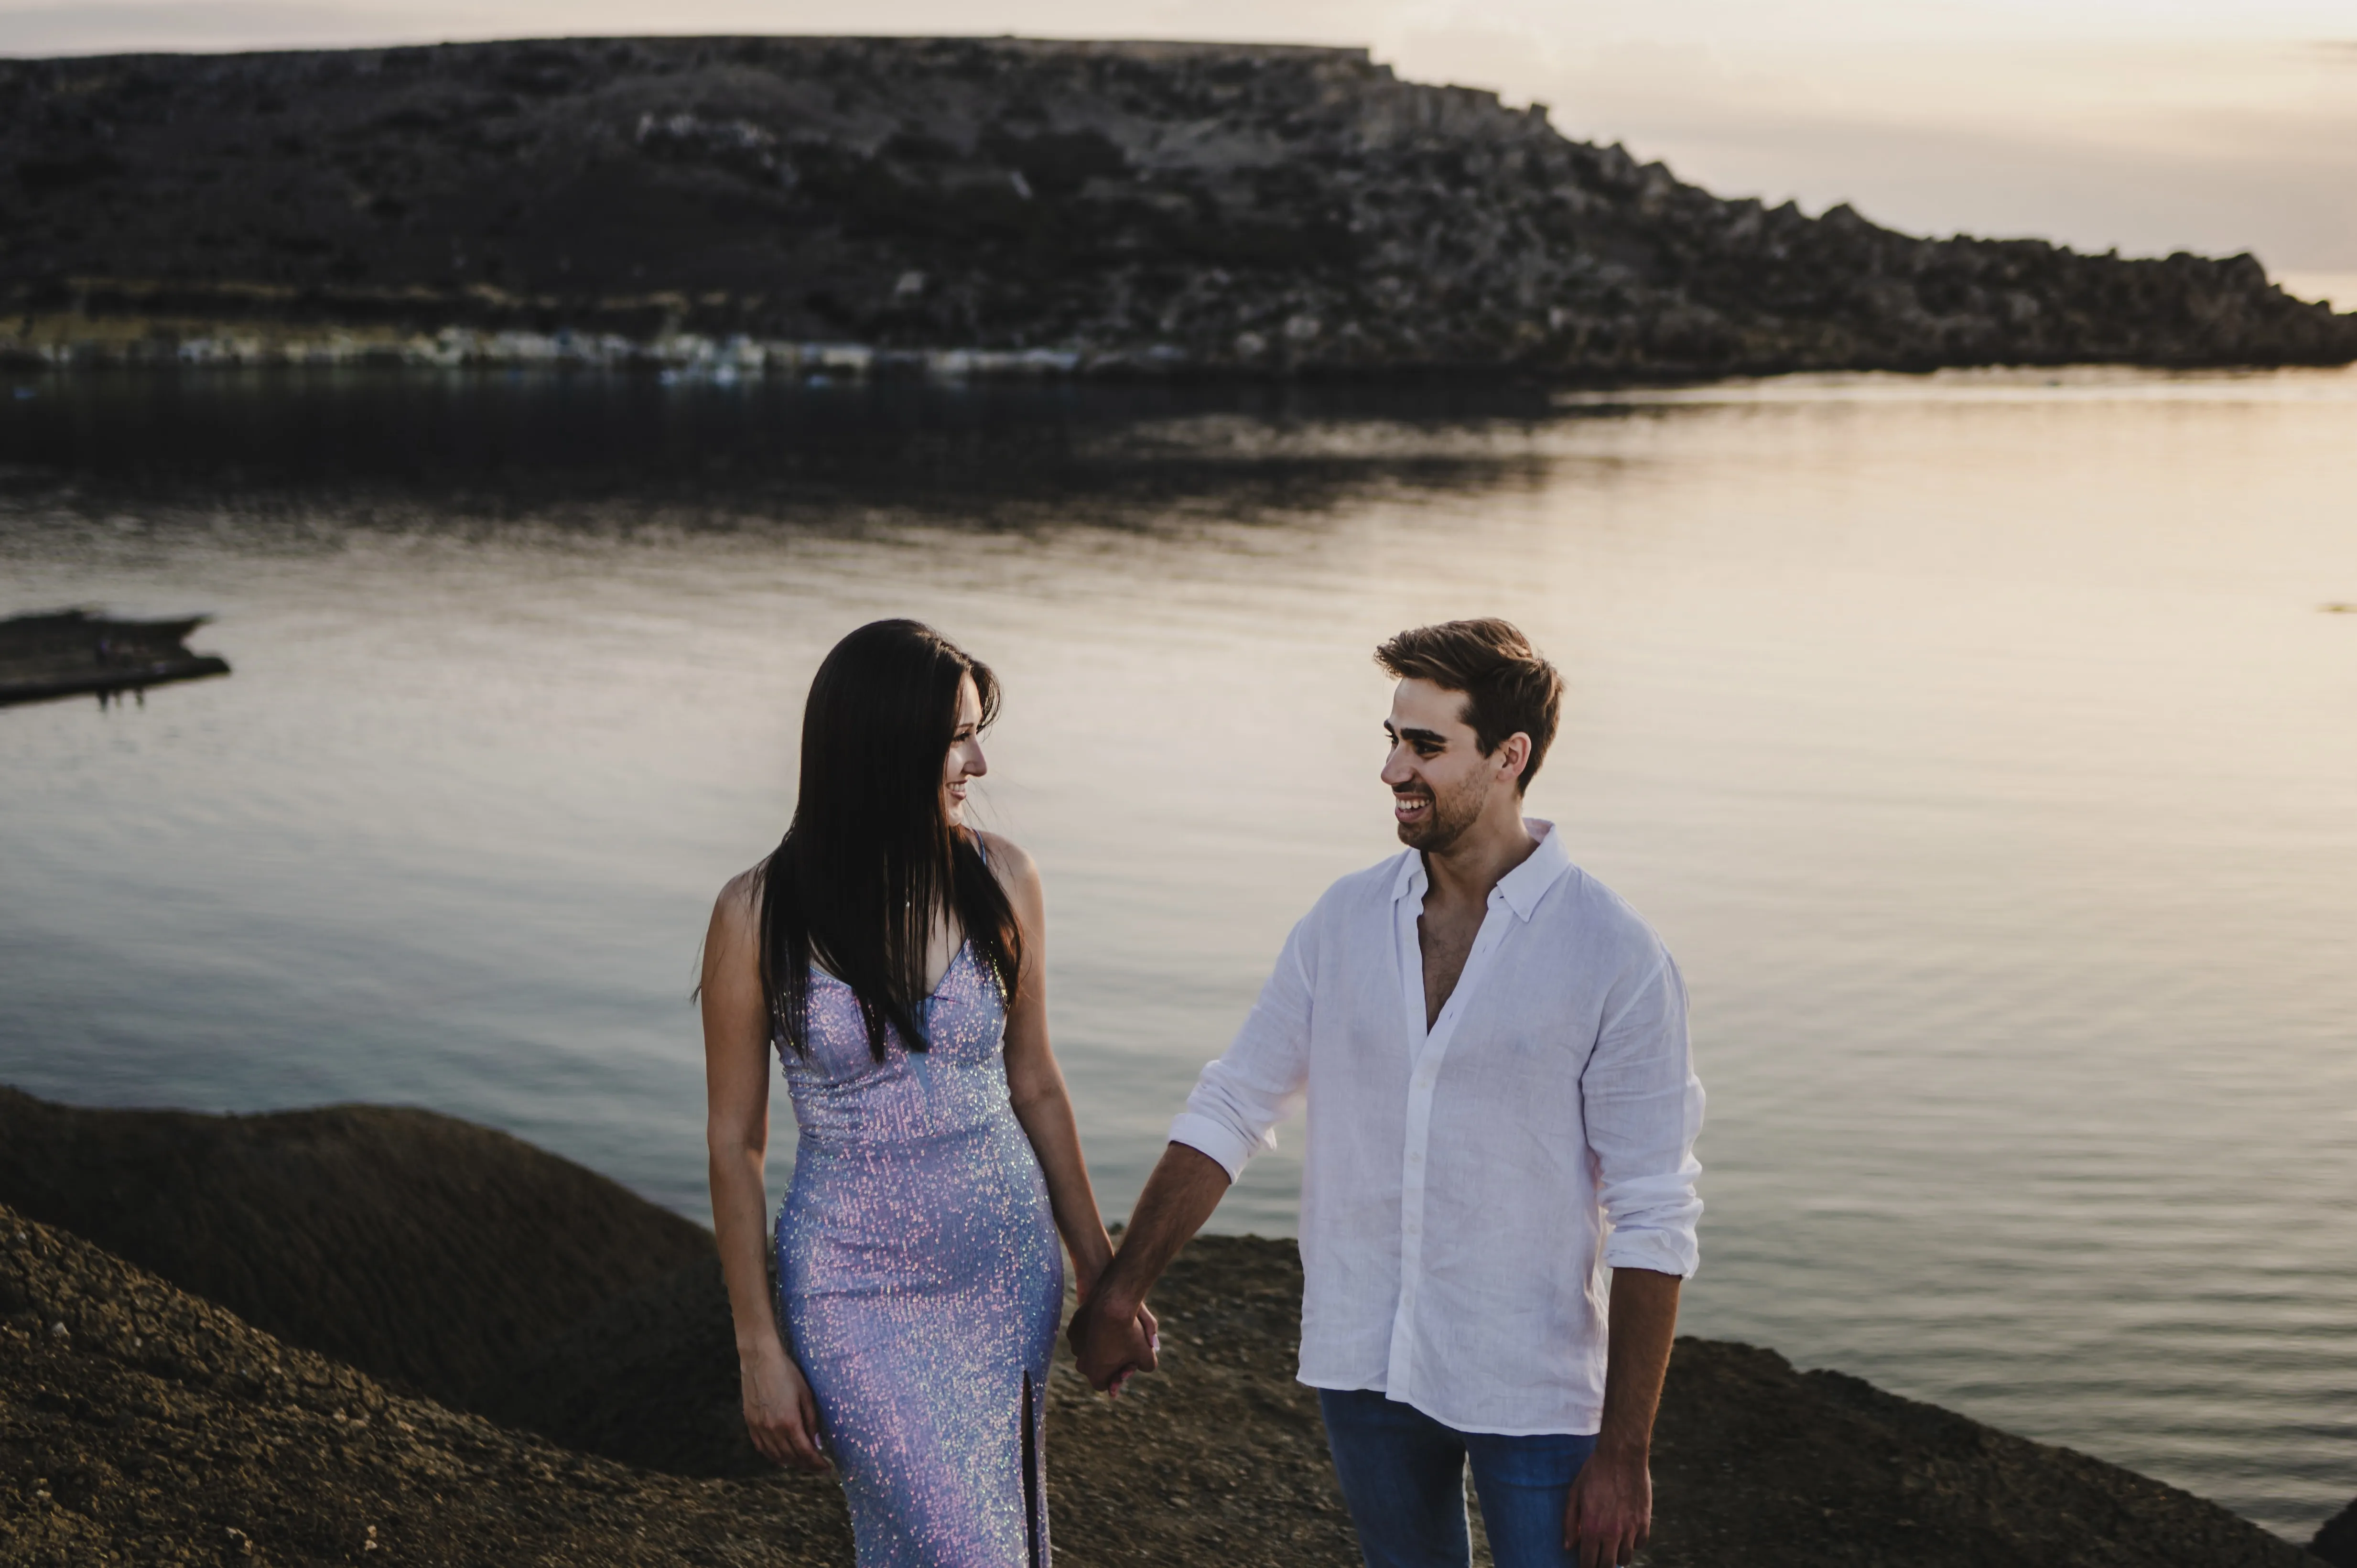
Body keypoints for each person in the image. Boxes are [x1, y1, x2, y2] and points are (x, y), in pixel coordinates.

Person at [1068, 618, 1704, 1568]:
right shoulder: (1343, 920)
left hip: (1533, 1388)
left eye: (1426, 746)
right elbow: (1235, 1104)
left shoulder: (1613, 953)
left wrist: (1625, 1449)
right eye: (1391, 738)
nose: (1393, 769)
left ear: (1509, 756)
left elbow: (1655, 1206)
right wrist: (1119, 1288)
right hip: (1365, 1362)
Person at [701, 618, 1145, 1568]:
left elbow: (1037, 1084)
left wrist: (1106, 1279)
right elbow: (735, 1141)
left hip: (1003, 1266)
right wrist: (757, 1346)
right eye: (958, 736)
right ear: (881, 746)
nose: (979, 760)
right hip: (850, 1286)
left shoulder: (1005, 878)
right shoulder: (755, 912)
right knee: (965, 1546)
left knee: (942, 1544)